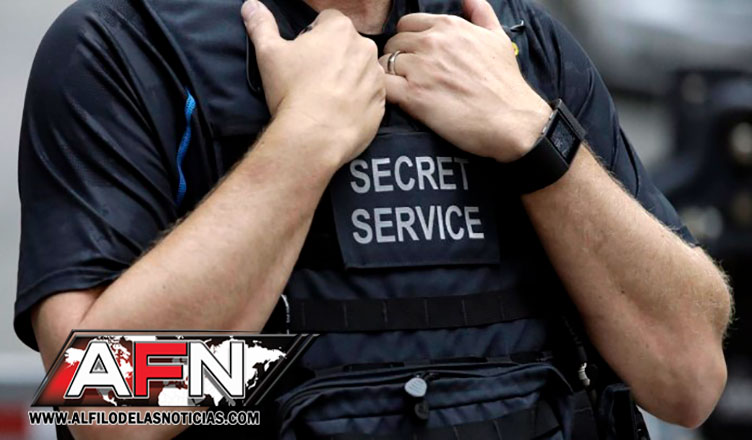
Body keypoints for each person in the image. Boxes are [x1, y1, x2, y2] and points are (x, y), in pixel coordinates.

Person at [15, 0, 732, 438]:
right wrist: (302, 145)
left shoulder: (510, 41)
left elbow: (688, 381)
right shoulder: (127, 45)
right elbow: (111, 409)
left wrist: (535, 140)